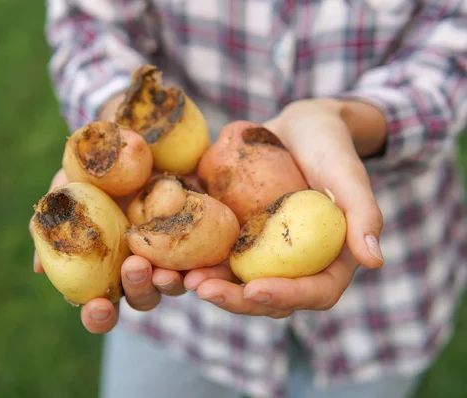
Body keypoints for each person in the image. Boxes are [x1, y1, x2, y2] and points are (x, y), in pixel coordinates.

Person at [32, 1, 467, 397]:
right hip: (178, 309)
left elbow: (453, 47)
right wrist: (121, 133)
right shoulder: (152, 223)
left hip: (386, 304)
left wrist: (351, 121)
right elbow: (86, 24)